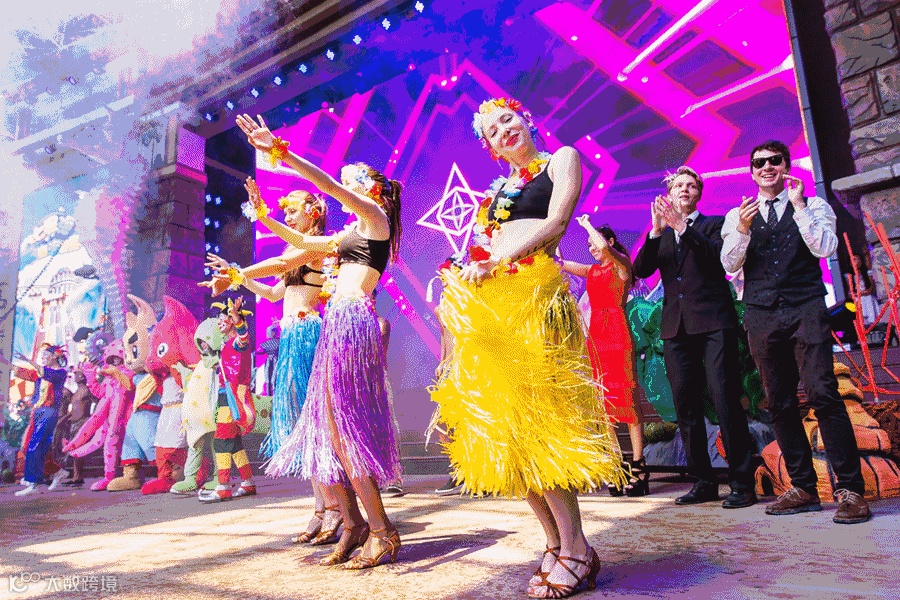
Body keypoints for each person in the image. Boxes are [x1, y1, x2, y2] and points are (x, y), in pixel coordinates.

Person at [432, 97, 626, 599]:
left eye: (507, 119)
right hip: (494, 306)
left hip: (535, 298)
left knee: (539, 424)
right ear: (491, 149)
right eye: (493, 132)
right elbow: (482, 246)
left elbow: (556, 223)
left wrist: (497, 262)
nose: (503, 131)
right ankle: (555, 543)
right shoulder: (495, 192)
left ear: (526, 119)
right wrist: (465, 276)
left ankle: (577, 547)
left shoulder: (561, 159)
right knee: (508, 430)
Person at [237, 112, 403, 569]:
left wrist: (281, 153)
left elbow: (327, 185)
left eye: (356, 181)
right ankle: (356, 525)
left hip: (352, 320)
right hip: (336, 323)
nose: (346, 187)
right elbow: (298, 246)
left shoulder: (374, 219)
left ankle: (381, 531)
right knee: (331, 429)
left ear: (372, 190)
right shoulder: (349, 232)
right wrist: (258, 231)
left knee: (345, 429)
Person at [721, 140, 871, 524]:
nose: (767, 167)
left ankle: (850, 490)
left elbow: (825, 248)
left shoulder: (813, 205)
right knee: (779, 401)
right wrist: (742, 228)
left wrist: (800, 207)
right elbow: (730, 264)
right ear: (751, 171)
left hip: (806, 307)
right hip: (761, 313)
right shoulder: (738, 215)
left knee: (823, 393)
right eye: (760, 163)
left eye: (775, 160)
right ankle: (803, 487)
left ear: (786, 165)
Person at [204, 190, 341, 543]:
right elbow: (272, 294)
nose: (289, 218)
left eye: (293, 212)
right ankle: (321, 507)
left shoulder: (317, 246)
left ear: (313, 213)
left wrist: (234, 273)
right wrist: (240, 280)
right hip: (292, 337)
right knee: (299, 422)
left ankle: (335, 508)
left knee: (313, 422)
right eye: (286, 213)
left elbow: (279, 265)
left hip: (307, 334)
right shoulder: (297, 252)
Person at [632, 165, 756, 509]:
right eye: (678, 186)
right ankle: (703, 481)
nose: (684, 189)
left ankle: (742, 482)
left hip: (714, 323)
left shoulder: (713, 224)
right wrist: (656, 231)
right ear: (669, 195)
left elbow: (719, 260)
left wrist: (681, 227)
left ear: (698, 194)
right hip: (676, 328)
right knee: (685, 405)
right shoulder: (662, 234)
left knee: (724, 399)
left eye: (690, 185)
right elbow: (641, 270)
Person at [558, 218, 646, 496]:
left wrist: (587, 226)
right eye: (588, 245)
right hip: (597, 338)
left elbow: (606, 251)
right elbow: (561, 263)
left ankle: (639, 464)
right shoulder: (592, 270)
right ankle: (616, 465)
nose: (592, 248)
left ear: (609, 242)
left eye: (595, 243)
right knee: (605, 404)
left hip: (617, 335)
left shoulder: (622, 266)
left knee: (627, 399)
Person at [198, 297, 257, 503]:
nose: (219, 321)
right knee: (235, 443)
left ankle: (223, 486)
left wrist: (237, 318)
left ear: (232, 320)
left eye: (223, 317)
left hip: (232, 397)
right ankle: (247, 482)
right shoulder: (227, 344)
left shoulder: (238, 342)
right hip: (226, 395)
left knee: (222, 440)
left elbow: (244, 337)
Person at [5, 345, 70, 496]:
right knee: (30, 446)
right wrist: (6, 363)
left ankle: (34, 482)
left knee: (36, 445)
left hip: (48, 411)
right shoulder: (41, 375)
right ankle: (56, 472)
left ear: (54, 356)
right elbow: (28, 374)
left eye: (45, 355)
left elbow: (46, 373)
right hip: (38, 411)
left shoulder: (60, 373)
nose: (42, 357)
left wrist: (28, 360)